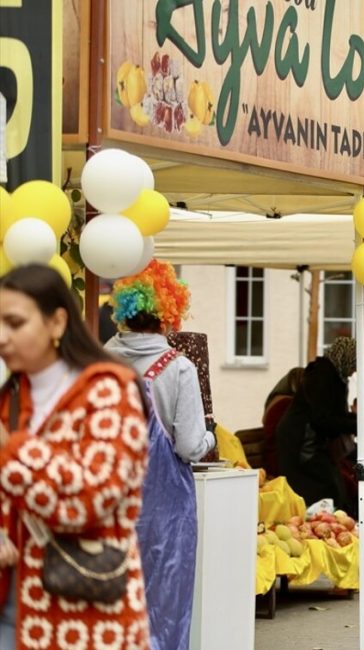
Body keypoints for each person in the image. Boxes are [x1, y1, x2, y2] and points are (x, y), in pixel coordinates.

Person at [0, 263, 151, 648]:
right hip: (10, 604)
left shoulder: (108, 392)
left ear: (56, 322)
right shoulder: (10, 395)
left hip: (83, 613)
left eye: (15, 323)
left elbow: (92, 497)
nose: (2, 337)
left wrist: (10, 449)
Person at [104, 259, 213, 650]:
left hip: (110, 505)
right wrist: (209, 441)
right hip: (164, 513)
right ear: (169, 314)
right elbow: (188, 445)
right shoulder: (177, 368)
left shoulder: (100, 362)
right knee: (165, 608)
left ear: (125, 311)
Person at [276, 337, 359, 517]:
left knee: (331, 489)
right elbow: (324, 419)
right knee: (322, 493)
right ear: (347, 359)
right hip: (303, 446)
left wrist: (353, 421)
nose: (354, 371)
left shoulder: (329, 374)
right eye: (354, 364)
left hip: (304, 443)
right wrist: (355, 423)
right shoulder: (325, 377)